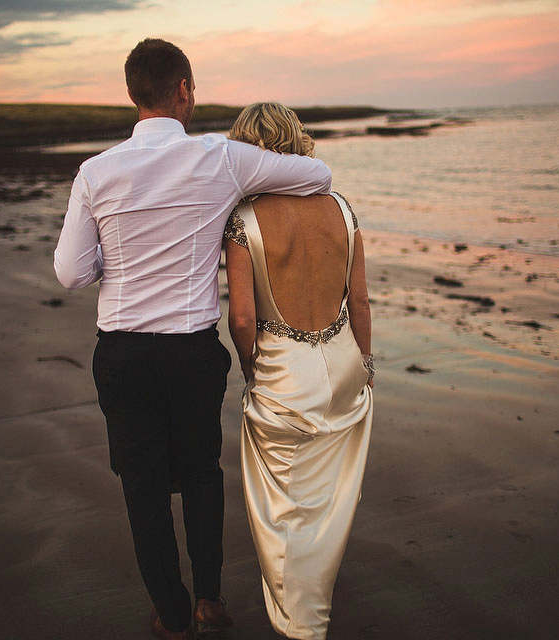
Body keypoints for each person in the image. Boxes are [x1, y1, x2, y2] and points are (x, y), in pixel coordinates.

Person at [53, 41, 333, 640]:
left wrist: (124, 256)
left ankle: (174, 617)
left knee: (143, 487)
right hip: (190, 352)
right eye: (193, 88)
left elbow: (71, 272)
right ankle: (209, 599)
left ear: (133, 94)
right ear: (183, 89)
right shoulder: (222, 159)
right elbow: (317, 175)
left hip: (123, 354)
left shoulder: (96, 172)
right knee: (203, 473)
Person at [223, 102, 374, 640]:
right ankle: (317, 591)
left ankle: (302, 622)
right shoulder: (342, 207)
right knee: (330, 494)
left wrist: (250, 366)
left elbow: (242, 316)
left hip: (284, 374)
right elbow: (359, 301)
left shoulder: (243, 220)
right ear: (298, 140)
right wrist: (368, 365)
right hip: (345, 366)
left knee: (285, 505)